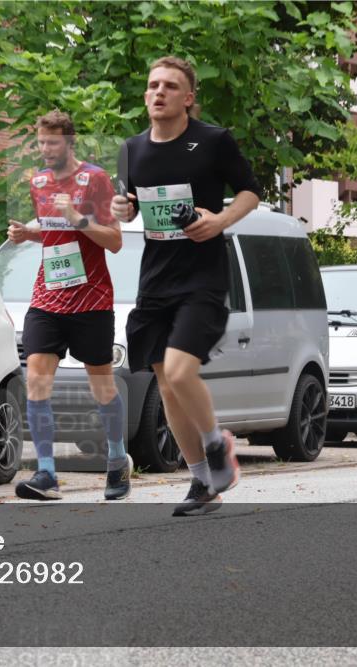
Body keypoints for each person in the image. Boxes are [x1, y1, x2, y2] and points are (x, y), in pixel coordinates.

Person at [110, 56, 261, 516]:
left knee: (178, 371)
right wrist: (123, 208)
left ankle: (217, 447)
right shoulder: (131, 149)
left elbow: (250, 192)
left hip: (203, 278)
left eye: (170, 86)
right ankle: (202, 484)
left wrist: (220, 220)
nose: (159, 92)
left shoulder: (213, 141)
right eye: (153, 85)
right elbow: (129, 204)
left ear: (188, 98)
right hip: (156, 280)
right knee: (166, 384)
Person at [8, 110, 130, 500]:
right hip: (48, 294)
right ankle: (46, 474)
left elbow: (113, 239)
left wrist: (77, 217)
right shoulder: (39, 182)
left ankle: (116, 460)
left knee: (102, 387)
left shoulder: (95, 179)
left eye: (53, 143)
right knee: (37, 380)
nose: (45, 150)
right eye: (41, 142)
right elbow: (51, 230)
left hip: (91, 298)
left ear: (70, 143)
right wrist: (28, 232)